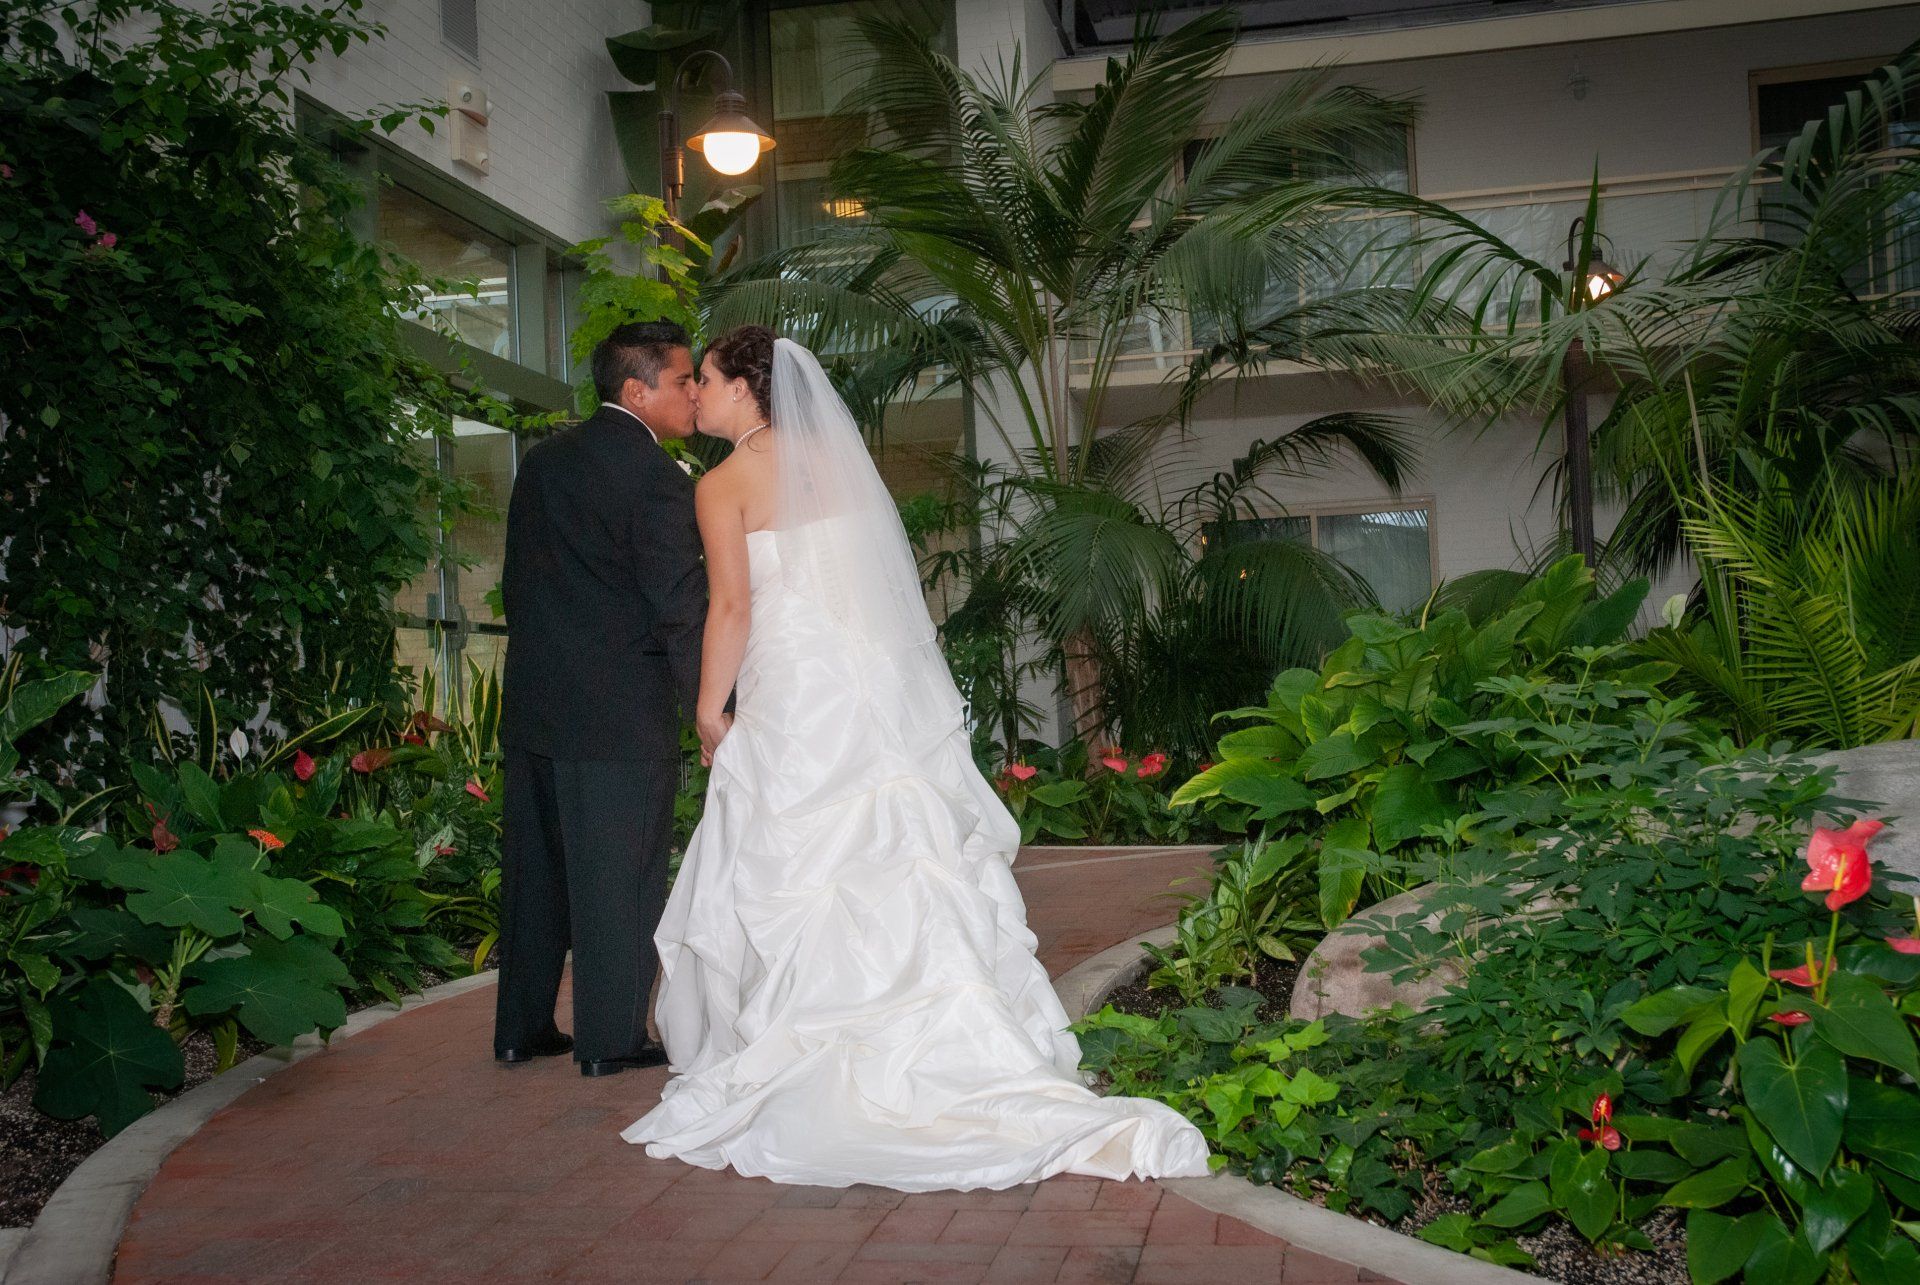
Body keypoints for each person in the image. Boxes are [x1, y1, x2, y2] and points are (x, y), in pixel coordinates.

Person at [621, 326, 1209, 1189]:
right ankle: (954, 1038)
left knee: (796, 866)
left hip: (793, 697)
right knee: (902, 853)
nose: (697, 394)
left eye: (705, 379)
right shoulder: (838, 467)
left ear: (744, 388)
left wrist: (710, 709)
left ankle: (811, 1045)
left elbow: (734, 608)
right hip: (867, 695)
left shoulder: (722, 484)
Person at [493, 321, 705, 1077]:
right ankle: (610, 1040)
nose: (694, 393)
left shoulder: (543, 462)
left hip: (535, 705)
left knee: (535, 877)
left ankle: (520, 1030)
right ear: (637, 391)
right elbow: (680, 606)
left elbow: (517, 585)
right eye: (683, 379)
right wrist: (709, 706)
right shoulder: (658, 479)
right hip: (620, 715)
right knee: (619, 879)